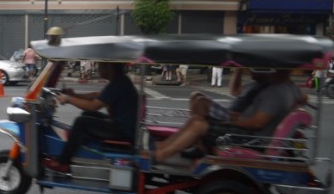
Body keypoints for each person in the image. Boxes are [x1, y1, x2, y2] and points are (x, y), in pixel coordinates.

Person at [153, 69, 305, 163]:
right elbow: (303, 98)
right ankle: (164, 147)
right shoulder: (287, 88)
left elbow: (258, 123)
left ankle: (162, 153)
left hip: (249, 138)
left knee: (198, 123)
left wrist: (234, 120)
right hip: (247, 132)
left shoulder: (276, 93)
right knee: (198, 117)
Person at [44, 62, 139, 173]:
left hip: (123, 131)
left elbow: (92, 106)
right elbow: (97, 95)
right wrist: (74, 95)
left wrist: (69, 99)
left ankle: (63, 162)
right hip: (123, 126)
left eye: (100, 66)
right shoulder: (120, 80)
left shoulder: (118, 83)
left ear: (109, 68)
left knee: (81, 122)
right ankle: (77, 147)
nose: (98, 68)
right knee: (87, 116)